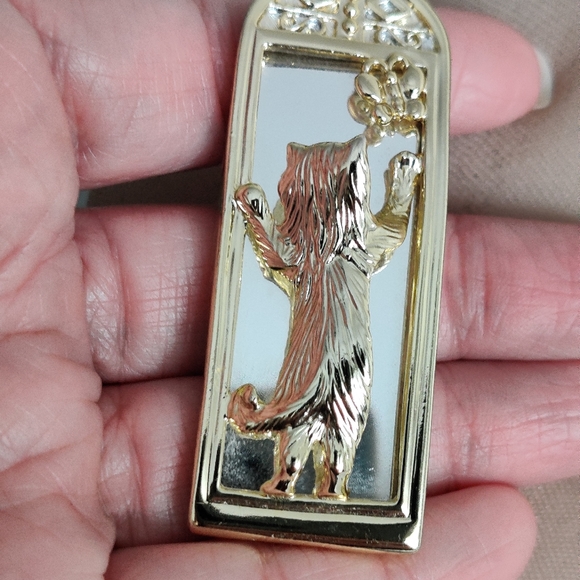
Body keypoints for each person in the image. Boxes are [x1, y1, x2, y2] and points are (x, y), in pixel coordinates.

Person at [0, 1, 577, 579]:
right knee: (302, 396)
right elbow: (278, 256)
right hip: (309, 339)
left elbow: (387, 235)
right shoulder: (309, 253)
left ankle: (334, 480)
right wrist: (255, 217)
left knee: (346, 401)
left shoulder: (354, 249)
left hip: (347, 342)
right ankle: (286, 475)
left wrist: (401, 190)